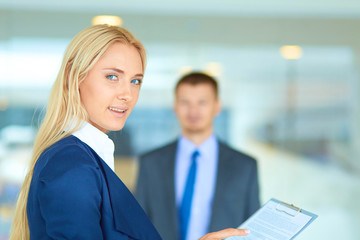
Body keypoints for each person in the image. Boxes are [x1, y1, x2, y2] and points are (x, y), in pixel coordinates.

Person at [9, 25, 249, 240]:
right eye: (112, 77)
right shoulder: (72, 163)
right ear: (75, 78)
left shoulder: (85, 156)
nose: (128, 95)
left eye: (135, 81)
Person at [135, 72, 260, 240]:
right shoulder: (150, 163)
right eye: (185, 102)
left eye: (202, 102)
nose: (193, 111)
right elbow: (137, 225)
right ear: (175, 106)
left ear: (217, 106)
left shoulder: (245, 166)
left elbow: (253, 229)